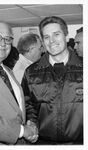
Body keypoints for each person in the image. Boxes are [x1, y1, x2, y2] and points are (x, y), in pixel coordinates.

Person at [21, 16, 83, 144]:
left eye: (56, 34)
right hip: (43, 143)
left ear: (66, 36)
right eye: (46, 37)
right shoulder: (31, 72)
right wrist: (32, 124)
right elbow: (28, 106)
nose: (51, 41)